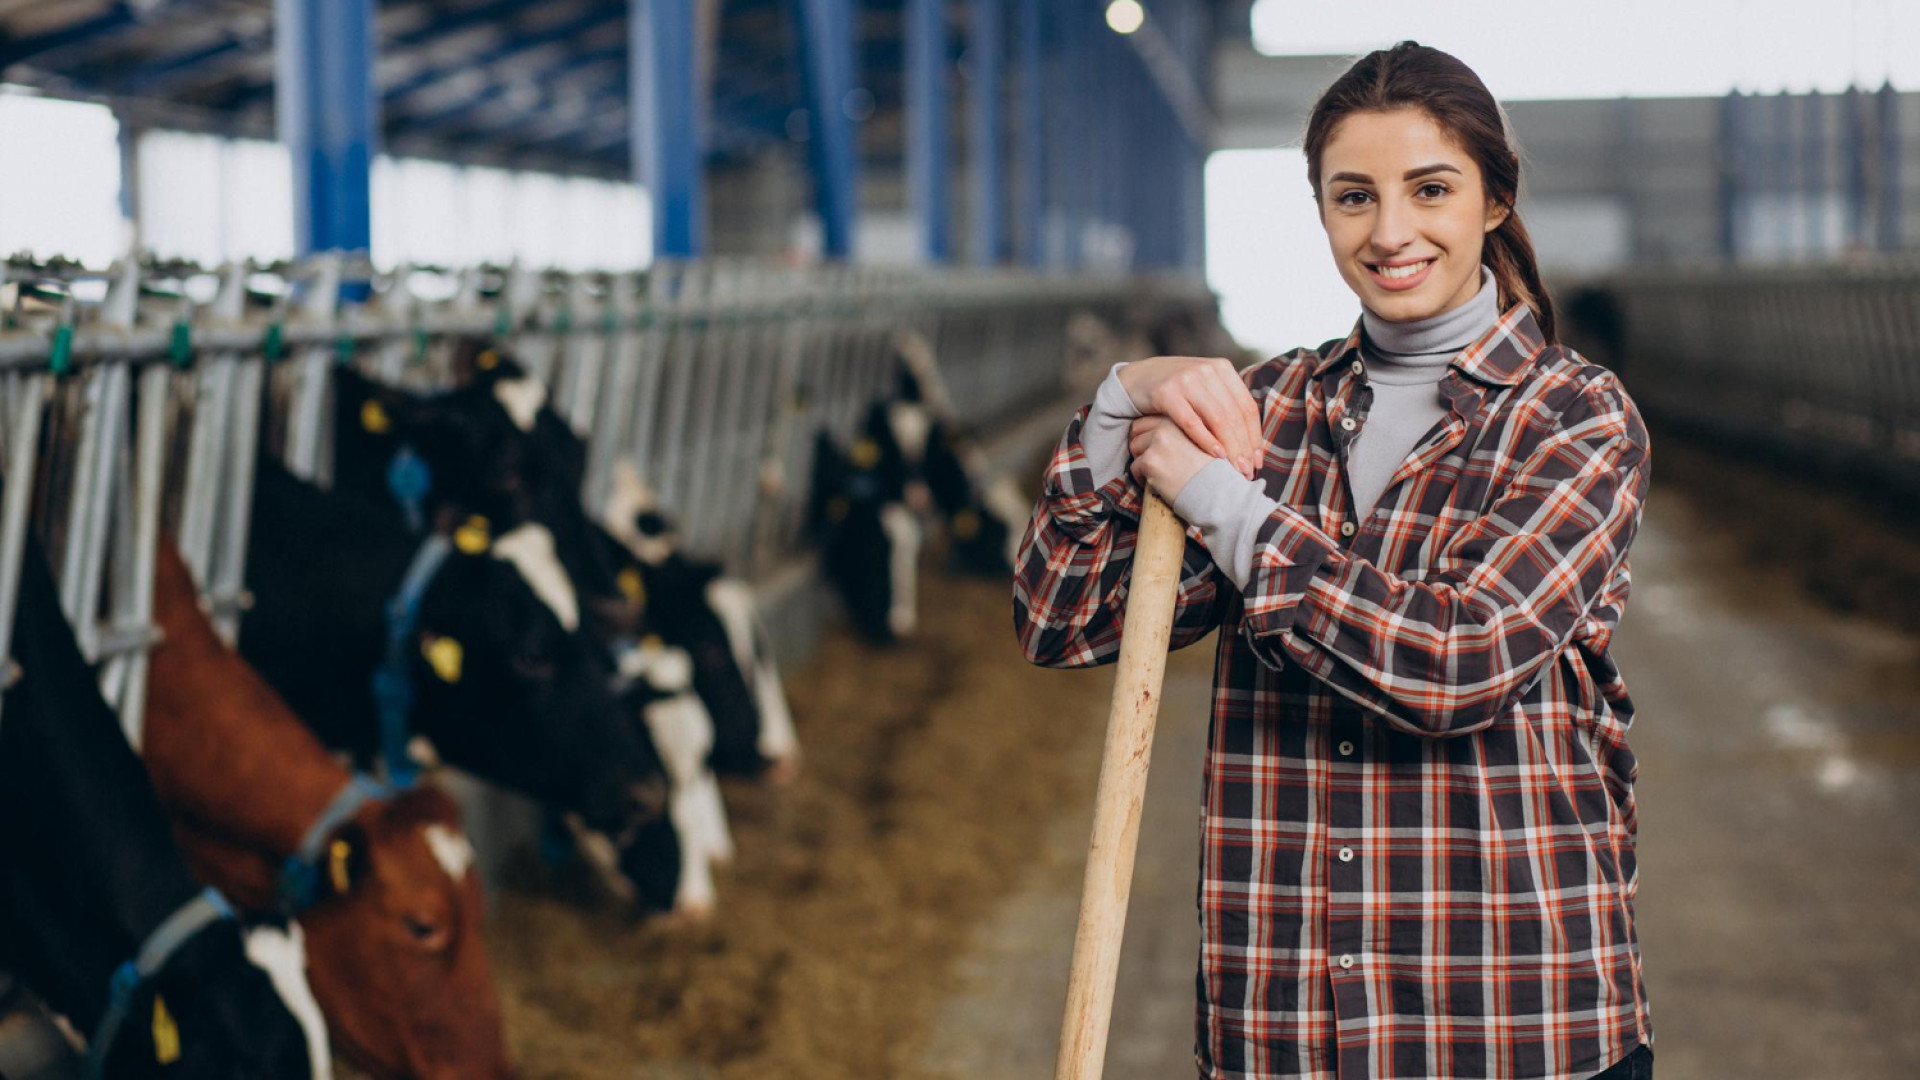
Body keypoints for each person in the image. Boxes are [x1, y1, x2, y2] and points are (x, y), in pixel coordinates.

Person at [1013, 41, 1654, 1080]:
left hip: (1509, 1025)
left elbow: (1460, 662)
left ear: (1493, 200)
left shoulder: (1575, 419)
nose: (1390, 231)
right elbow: (1062, 621)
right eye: (1353, 196)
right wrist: (1115, 411)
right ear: (1320, 211)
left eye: (1430, 189)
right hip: (1286, 1034)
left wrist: (1228, 505)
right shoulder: (1266, 410)